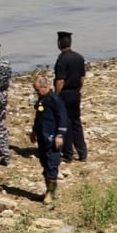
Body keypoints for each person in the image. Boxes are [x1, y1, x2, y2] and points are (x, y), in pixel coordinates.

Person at [30, 75, 68, 204]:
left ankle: (51, 193)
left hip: (52, 136)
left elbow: (63, 117)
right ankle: (48, 189)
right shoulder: (42, 100)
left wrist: (60, 135)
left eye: (38, 90)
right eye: (35, 90)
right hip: (42, 135)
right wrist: (34, 131)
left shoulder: (55, 100)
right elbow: (38, 116)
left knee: (52, 162)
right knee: (44, 162)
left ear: (45, 86)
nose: (37, 92)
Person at [54, 31, 88, 162]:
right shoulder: (79, 57)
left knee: (65, 123)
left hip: (65, 94)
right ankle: (82, 152)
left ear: (59, 43)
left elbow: (60, 80)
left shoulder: (62, 59)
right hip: (75, 92)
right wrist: (78, 88)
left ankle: (68, 154)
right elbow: (82, 77)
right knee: (76, 122)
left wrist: (56, 96)